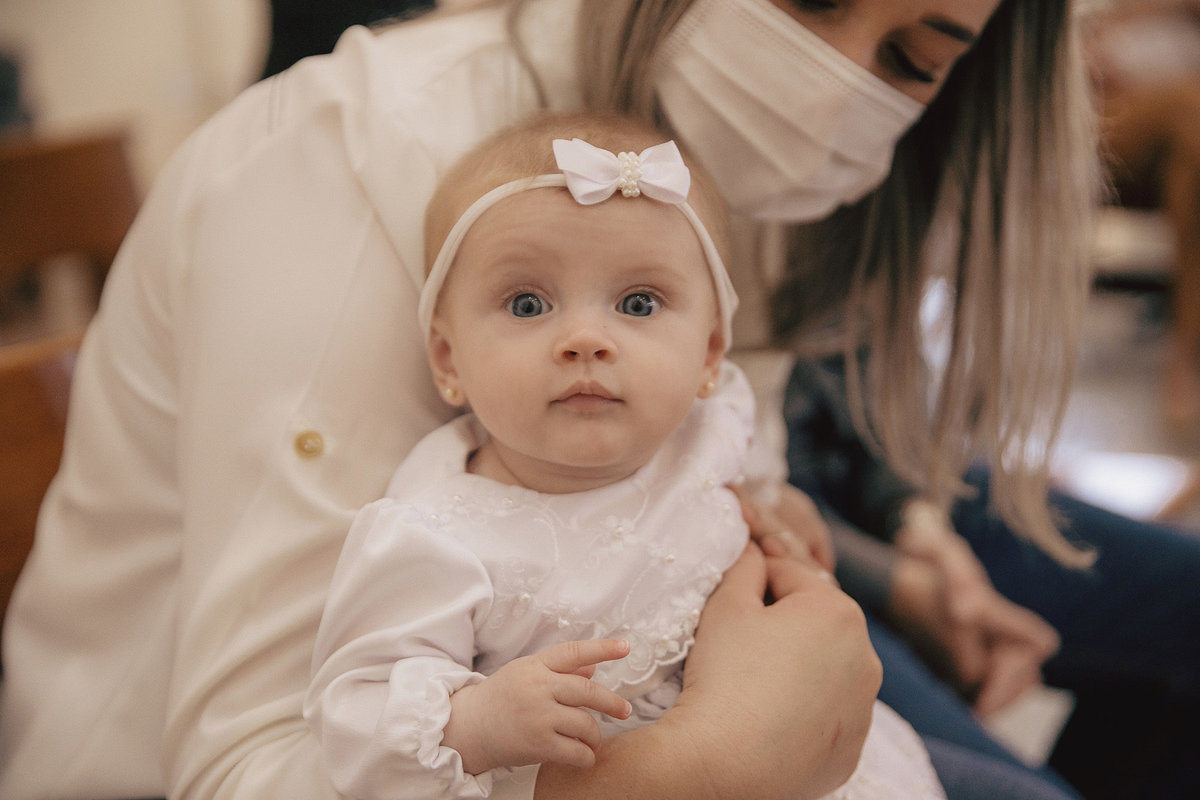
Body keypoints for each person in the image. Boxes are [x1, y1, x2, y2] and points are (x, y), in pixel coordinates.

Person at [0, 0, 1096, 798]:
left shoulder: (752, 169)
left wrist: (798, 540)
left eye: (911, 58)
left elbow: (718, 457)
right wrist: (703, 769)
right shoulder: (343, 168)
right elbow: (256, 761)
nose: (832, 78)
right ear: (448, 348)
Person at [304, 110, 943, 800]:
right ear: (447, 356)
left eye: (638, 303)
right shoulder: (434, 536)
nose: (585, 338)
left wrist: (780, 507)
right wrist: (478, 721)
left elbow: (757, 487)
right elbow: (354, 711)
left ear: (707, 354)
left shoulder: (713, 426)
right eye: (526, 304)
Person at [780, 349, 1200, 800]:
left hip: (885, 471)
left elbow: (871, 356)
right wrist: (899, 586)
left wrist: (921, 523)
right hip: (772, 532)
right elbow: (746, 486)